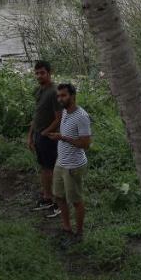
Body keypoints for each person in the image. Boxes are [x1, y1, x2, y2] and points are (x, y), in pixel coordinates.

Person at [46, 82, 91, 237]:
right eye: (58, 96)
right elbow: (66, 134)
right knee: (59, 196)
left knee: (76, 200)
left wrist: (62, 138)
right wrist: (58, 136)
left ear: (72, 96)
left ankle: (79, 233)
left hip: (74, 165)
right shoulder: (65, 112)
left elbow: (85, 144)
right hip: (61, 162)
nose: (60, 99)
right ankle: (66, 227)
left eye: (63, 95)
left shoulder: (82, 117)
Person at [26, 60, 59, 212]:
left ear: (49, 73)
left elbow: (59, 117)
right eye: (37, 73)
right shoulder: (40, 90)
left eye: (42, 73)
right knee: (44, 168)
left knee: (50, 168)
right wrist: (30, 136)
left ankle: (54, 199)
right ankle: (47, 196)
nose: (39, 76)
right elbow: (37, 115)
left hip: (48, 137)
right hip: (39, 135)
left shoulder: (54, 92)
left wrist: (46, 132)